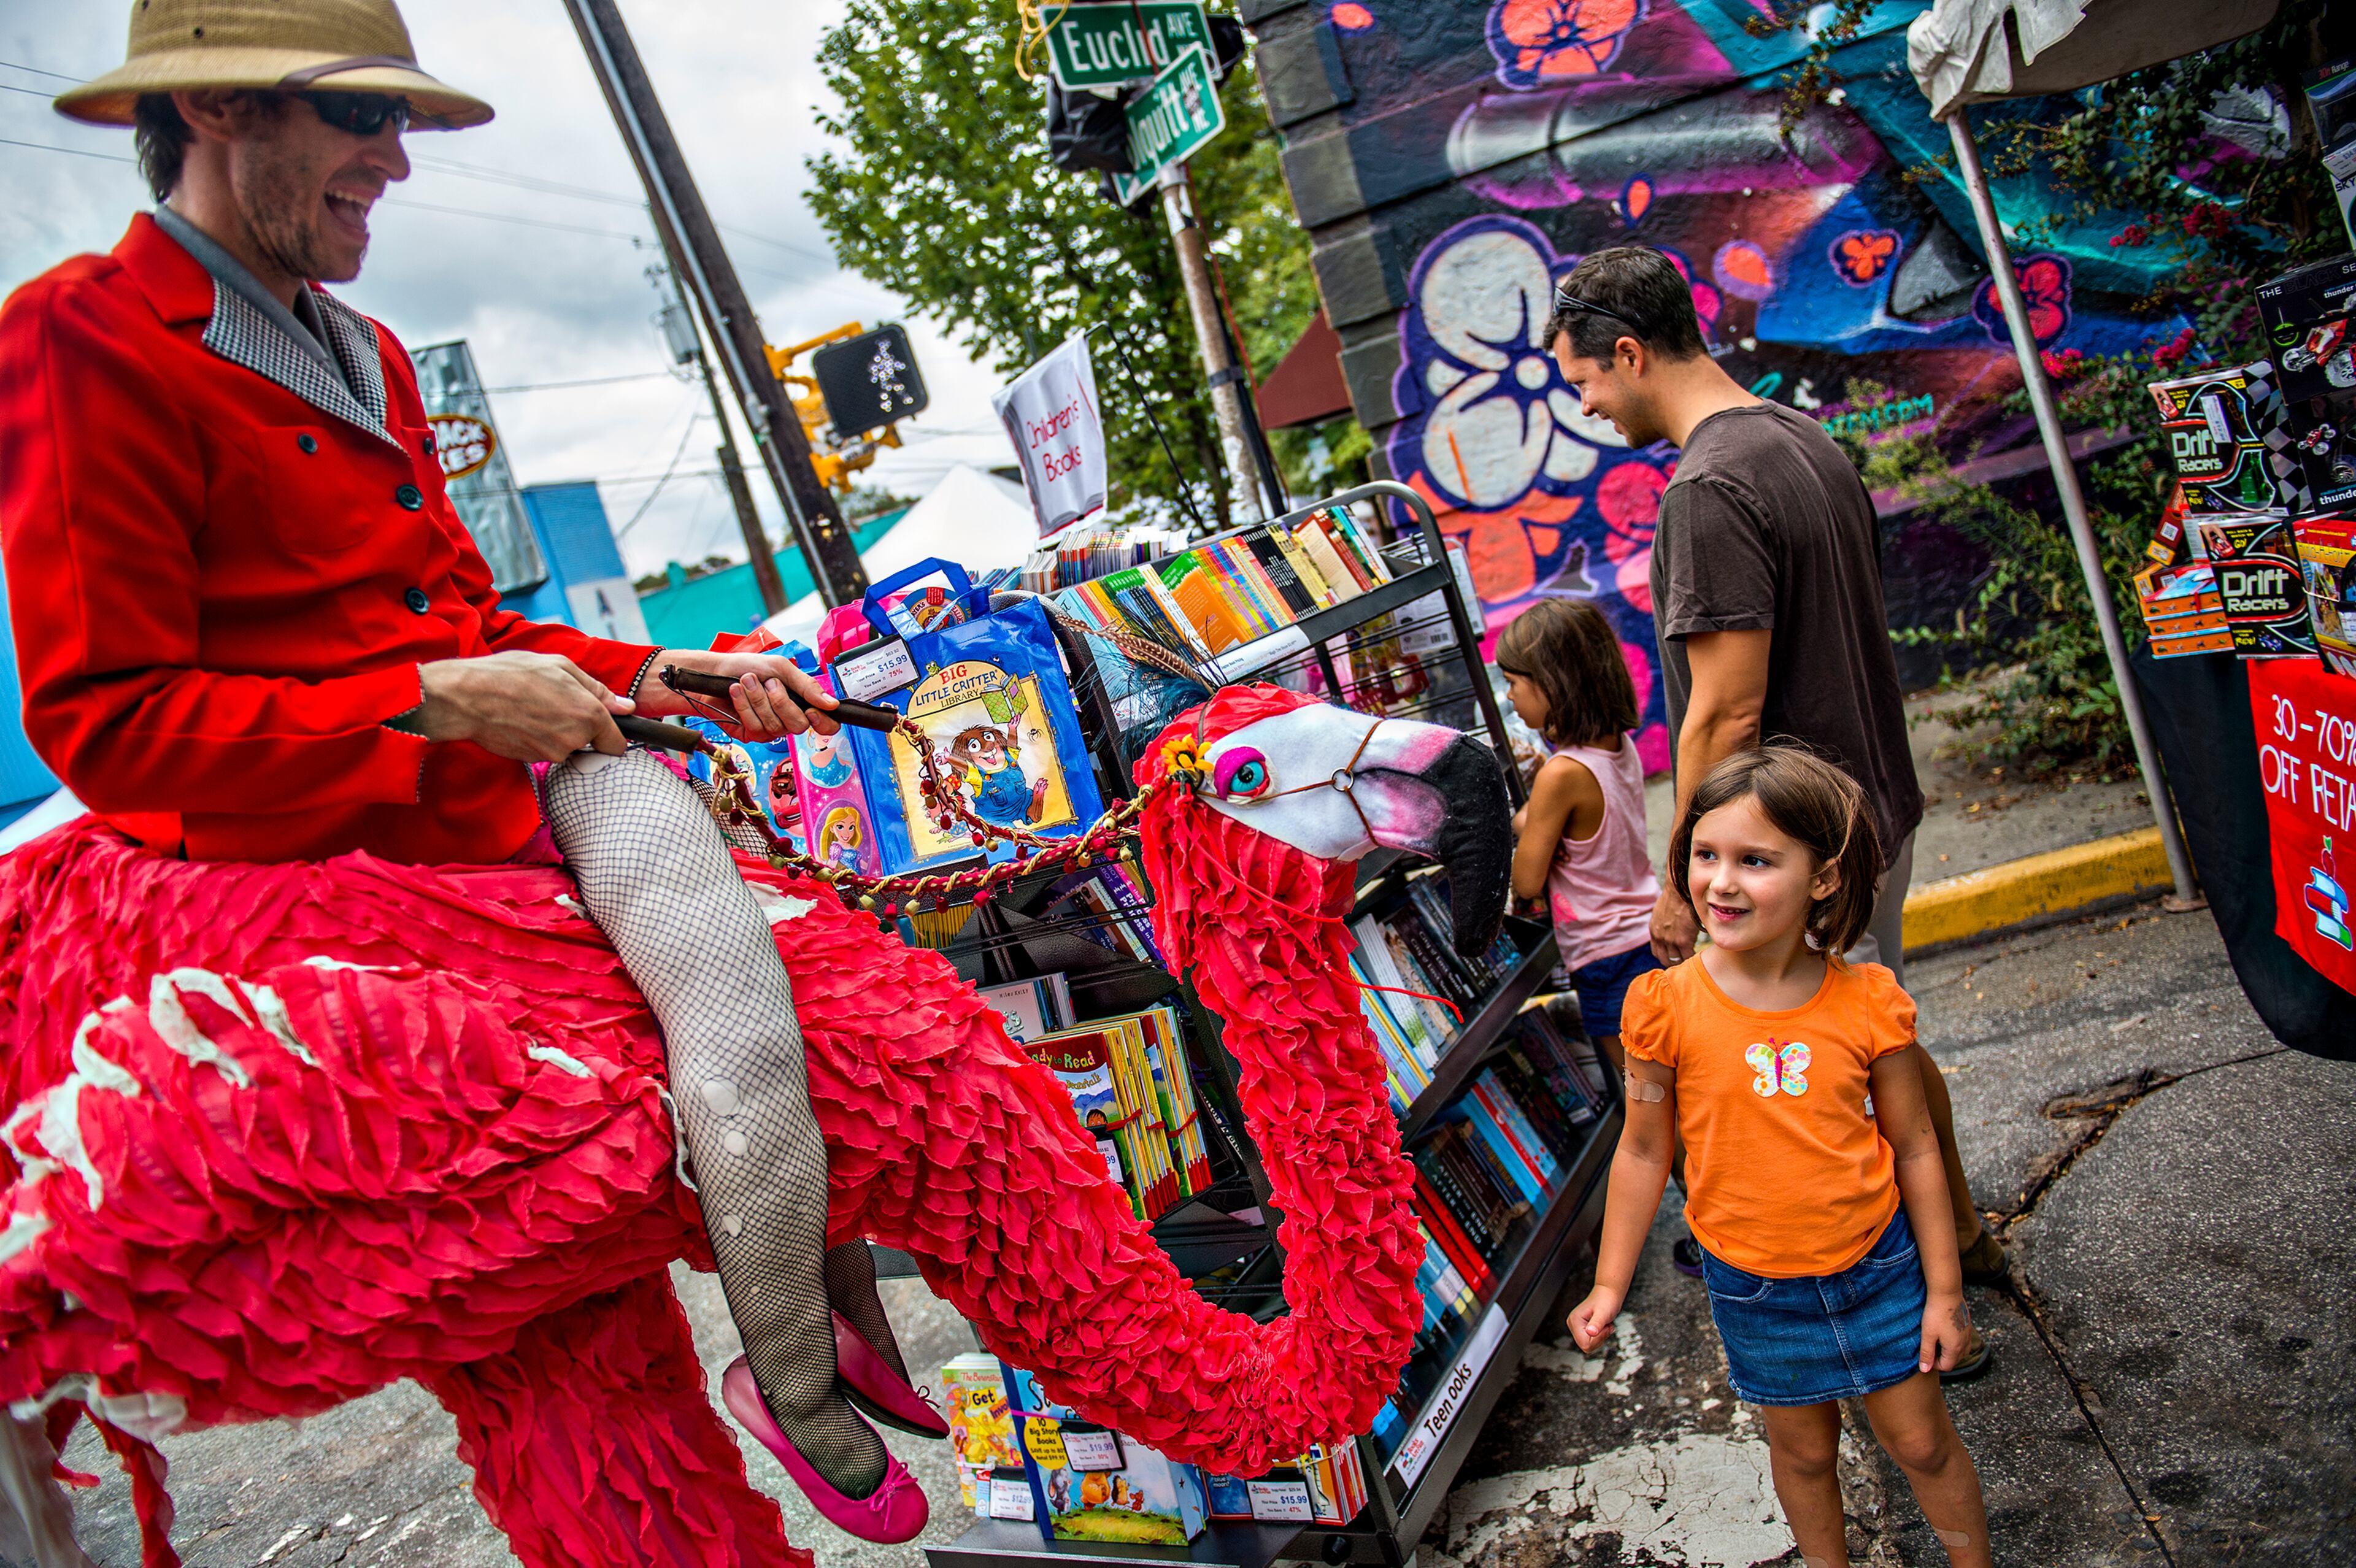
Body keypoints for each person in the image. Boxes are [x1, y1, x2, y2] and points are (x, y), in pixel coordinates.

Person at [0, 0, 930, 1541]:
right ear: (221, 110)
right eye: (363, 121)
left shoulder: (364, 350)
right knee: (577, 1324)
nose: (397, 163)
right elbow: (112, 726)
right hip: (324, 905)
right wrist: (434, 707)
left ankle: (816, 1333)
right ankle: (793, 1372)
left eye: (405, 125)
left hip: (507, 843)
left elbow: (463, 617)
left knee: (798, 1018)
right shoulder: (77, 333)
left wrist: (657, 671)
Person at [1546, 247, 2008, 1348]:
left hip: (1797, 847)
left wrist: (1683, 877)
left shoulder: (1707, 488)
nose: (1592, 409)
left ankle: (1925, 1307)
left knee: (1846, 1072)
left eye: (1587, 385)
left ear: (1629, 352)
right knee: (1882, 1040)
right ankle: (1970, 1246)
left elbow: (1727, 711)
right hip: (1866, 811)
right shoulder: (1798, 434)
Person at [1568, 749, 1993, 1568]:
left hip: (1878, 1270)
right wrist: (1610, 1282)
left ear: (1824, 878)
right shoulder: (1662, 1008)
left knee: (1923, 1443)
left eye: (1755, 861)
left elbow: (1917, 1148)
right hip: (1753, 1287)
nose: (1721, 883)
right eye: (1706, 854)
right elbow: (1645, 1148)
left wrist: (1945, 1291)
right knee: (1802, 1456)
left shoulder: (1869, 1002)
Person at [1498, 599, 1663, 1065]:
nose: (1509, 696)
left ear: (1553, 683)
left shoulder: (1561, 774)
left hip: (1608, 957)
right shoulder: (1615, 745)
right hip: (1643, 934)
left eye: (1513, 683)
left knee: (1652, 1104)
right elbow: (1537, 820)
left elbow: (1527, 882)